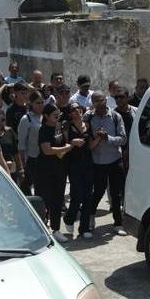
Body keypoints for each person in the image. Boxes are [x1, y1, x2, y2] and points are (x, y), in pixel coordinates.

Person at [85, 91, 128, 236]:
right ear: (92, 103)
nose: (100, 103)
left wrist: (108, 138)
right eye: (96, 101)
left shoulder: (115, 117)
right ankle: (91, 217)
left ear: (106, 101)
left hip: (115, 160)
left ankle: (118, 223)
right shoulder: (89, 117)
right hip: (98, 162)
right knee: (98, 191)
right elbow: (86, 139)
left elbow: (123, 139)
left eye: (102, 100)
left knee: (116, 193)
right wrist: (96, 138)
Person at [35, 104, 74, 242]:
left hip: (60, 170)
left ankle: (56, 229)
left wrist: (66, 142)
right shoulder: (43, 130)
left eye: (58, 113)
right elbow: (47, 150)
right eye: (54, 114)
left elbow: (64, 143)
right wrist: (66, 148)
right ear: (46, 116)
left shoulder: (59, 128)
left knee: (58, 200)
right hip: (45, 171)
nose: (57, 116)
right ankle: (41, 229)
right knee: (45, 200)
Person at [62, 103, 94, 239]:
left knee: (88, 196)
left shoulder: (88, 124)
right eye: (73, 109)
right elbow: (62, 144)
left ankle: (84, 228)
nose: (77, 110)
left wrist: (99, 138)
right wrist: (72, 142)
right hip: (73, 164)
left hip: (87, 163)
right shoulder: (66, 126)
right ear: (70, 114)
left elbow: (91, 145)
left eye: (78, 108)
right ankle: (69, 218)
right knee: (77, 195)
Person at [17, 90, 45, 195]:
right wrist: (23, 164)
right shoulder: (26, 119)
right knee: (34, 187)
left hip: (46, 156)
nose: (40, 105)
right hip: (32, 159)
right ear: (31, 103)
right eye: (37, 103)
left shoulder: (45, 117)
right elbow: (21, 143)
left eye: (42, 102)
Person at [0, 107, 19, 185]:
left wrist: (21, 168)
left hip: (11, 170)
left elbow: (16, 152)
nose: (0, 122)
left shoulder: (9, 131)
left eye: (3, 120)